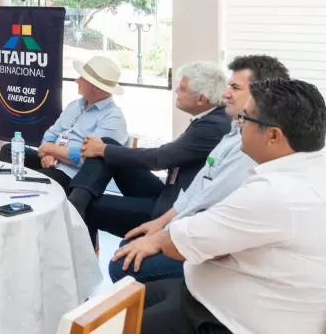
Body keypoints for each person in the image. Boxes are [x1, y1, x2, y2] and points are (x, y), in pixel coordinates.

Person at [139, 78, 326, 334]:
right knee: (129, 298)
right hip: (205, 292)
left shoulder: (275, 193)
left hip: (221, 320)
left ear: (273, 135)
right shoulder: (311, 169)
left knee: (110, 321)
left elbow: (176, 245)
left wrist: (212, 243)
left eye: (245, 119)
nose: (239, 126)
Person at [110, 55, 289, 284]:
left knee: (121, 264)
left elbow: (207, 200)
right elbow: (198, 190)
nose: (225, 94)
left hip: (210, 243)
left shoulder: (253, 145)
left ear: (261, 96)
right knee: (127, 247)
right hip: (186, 220)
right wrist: (161, 225)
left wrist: (163, 235)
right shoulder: (233, 131)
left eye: (235, 88)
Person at [68, 62, 230, 240]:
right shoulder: (210, 119)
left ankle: (74, 207)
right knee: (106, 145)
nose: (176, 91)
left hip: (170, 208)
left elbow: (160, 158)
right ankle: (76, 201)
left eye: (182, 89)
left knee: (90, 204)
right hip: (167, 191)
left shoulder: (213, 126)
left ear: (202, 98)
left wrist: (103, 150)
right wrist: (104, 148)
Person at [0, 55, 128, 188]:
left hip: (72, 175)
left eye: (82, 78)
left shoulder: (113, 118)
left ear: (97, 88)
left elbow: (87, 157)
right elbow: (51, 133)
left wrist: (52, 150)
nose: (77, 80)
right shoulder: (75, 105)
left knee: (36, 179)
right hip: (52, 159)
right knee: (8, 150)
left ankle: (17, 192)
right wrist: (48, 153)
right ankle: (11, 189)